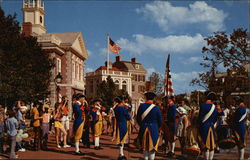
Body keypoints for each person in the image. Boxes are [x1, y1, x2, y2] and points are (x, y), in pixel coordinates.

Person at [136, 92, 162, 160]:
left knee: (144, 147)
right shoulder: (156, 108)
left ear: (146, 98)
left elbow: (138, 118)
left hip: (143, 128)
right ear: (153, 98)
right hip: (154, 129)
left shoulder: (141, 106)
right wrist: (158, 128)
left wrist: (142, 125)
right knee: (152, 147)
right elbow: (160, 121)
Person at [198, 92, 218, 160]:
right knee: (212, 145)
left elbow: (200, 118)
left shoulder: (203, 106)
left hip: (203, 127)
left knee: (205, 145)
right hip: (211, 127)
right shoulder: (215, 107)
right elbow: (215, 119)